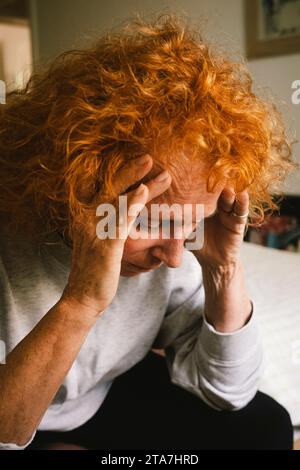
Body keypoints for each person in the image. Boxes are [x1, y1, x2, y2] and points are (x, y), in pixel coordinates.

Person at [0, 14, 296, 450]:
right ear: (75, 185)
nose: (174, 256)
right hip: (16, 410)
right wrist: (81, 301)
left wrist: (222, 268)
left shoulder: (176, 250)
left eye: (190, 224)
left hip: (96, 400)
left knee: (264, 426)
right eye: (152, 223)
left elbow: (227, 392)